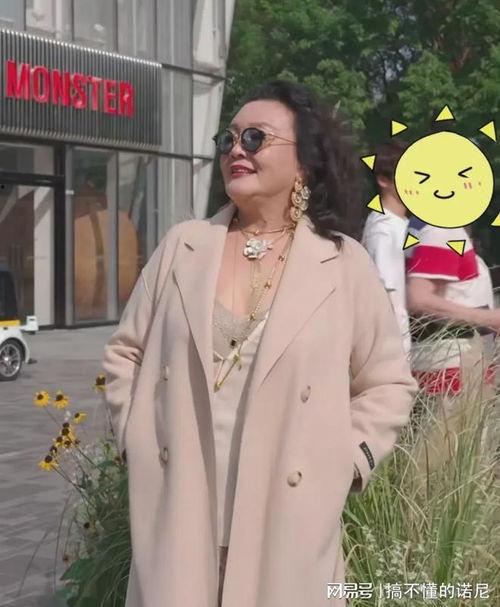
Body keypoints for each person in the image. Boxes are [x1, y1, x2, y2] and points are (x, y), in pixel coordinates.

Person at [102, 80, 418, 607]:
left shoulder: (342, 264)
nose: (236, 150)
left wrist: (345, 460)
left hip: (289, 520)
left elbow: (388, 382)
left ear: (304, 164)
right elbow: (126, 352)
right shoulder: (183, 246)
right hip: (177, 512)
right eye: (227, 139)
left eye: (255, 138)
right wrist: (134, 439)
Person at [405, 217, 500, 473]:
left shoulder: (425, 230)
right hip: (453, 368)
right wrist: (488, 319)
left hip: (462, 365)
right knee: (443, 468)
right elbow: (419, 299)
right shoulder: (442, 229)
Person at [361, 142, 411, 356]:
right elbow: (389, 297)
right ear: (383, 180)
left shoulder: (402, 225)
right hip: (396, 353)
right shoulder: (382, 229)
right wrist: (400, 354)